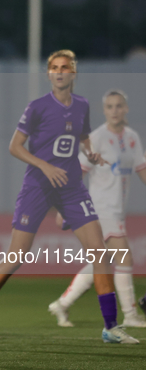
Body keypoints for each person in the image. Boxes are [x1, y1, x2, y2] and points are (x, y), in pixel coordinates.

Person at [0, 49, 139, 344]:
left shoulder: (82, 105)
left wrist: (89, 151)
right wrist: (44, 165)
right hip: (38, 185)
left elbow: (81, 135)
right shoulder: (38, 107)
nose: (60, 72)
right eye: (54, 67)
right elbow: (15, 146)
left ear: (73, 73)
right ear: (49, 74)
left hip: (71, 187)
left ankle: (110, 327)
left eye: (65, 67)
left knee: (100, 252)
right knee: (16, 256)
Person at [48, 89, 146, 328]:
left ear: (126, 109)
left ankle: (62, 304)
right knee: (124, 256)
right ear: (104, 111)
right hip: (99, 208)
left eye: (119, 106)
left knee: (101, 261)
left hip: (117, 209)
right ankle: (131, 316)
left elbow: (141, 169)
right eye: (110, 106)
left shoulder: (132, 137)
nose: (115, 110)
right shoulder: (97, 138)